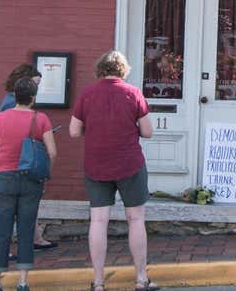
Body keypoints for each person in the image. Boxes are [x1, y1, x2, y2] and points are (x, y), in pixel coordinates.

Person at [70, 51, 158, 291]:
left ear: (101, 69)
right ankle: (141, 278)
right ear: (123, 70)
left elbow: (74, 131)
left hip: (96, 163)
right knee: (136, 218)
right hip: (129, 162)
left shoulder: (87, 94)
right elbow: (148, 132)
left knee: (98, 220)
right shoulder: (133, 93)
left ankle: (98, 282)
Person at [0, 74, 56, 291]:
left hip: (4, 178)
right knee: (27, 229)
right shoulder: (42, 119)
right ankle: (23, 280)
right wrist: (45, 173)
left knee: (2, 230)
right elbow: (52, 152)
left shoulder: (0, 118)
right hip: (31, 180)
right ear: (33, 98)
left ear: (15, 96)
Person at [0, 63, 55, 252]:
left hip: (21, 160)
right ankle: (22, 247)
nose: (37, 89)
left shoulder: (14, 102)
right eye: (35, 83)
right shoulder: (10, 103)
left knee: (28, 204)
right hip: (18, 162)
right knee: (17, 207)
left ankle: (35, 238)